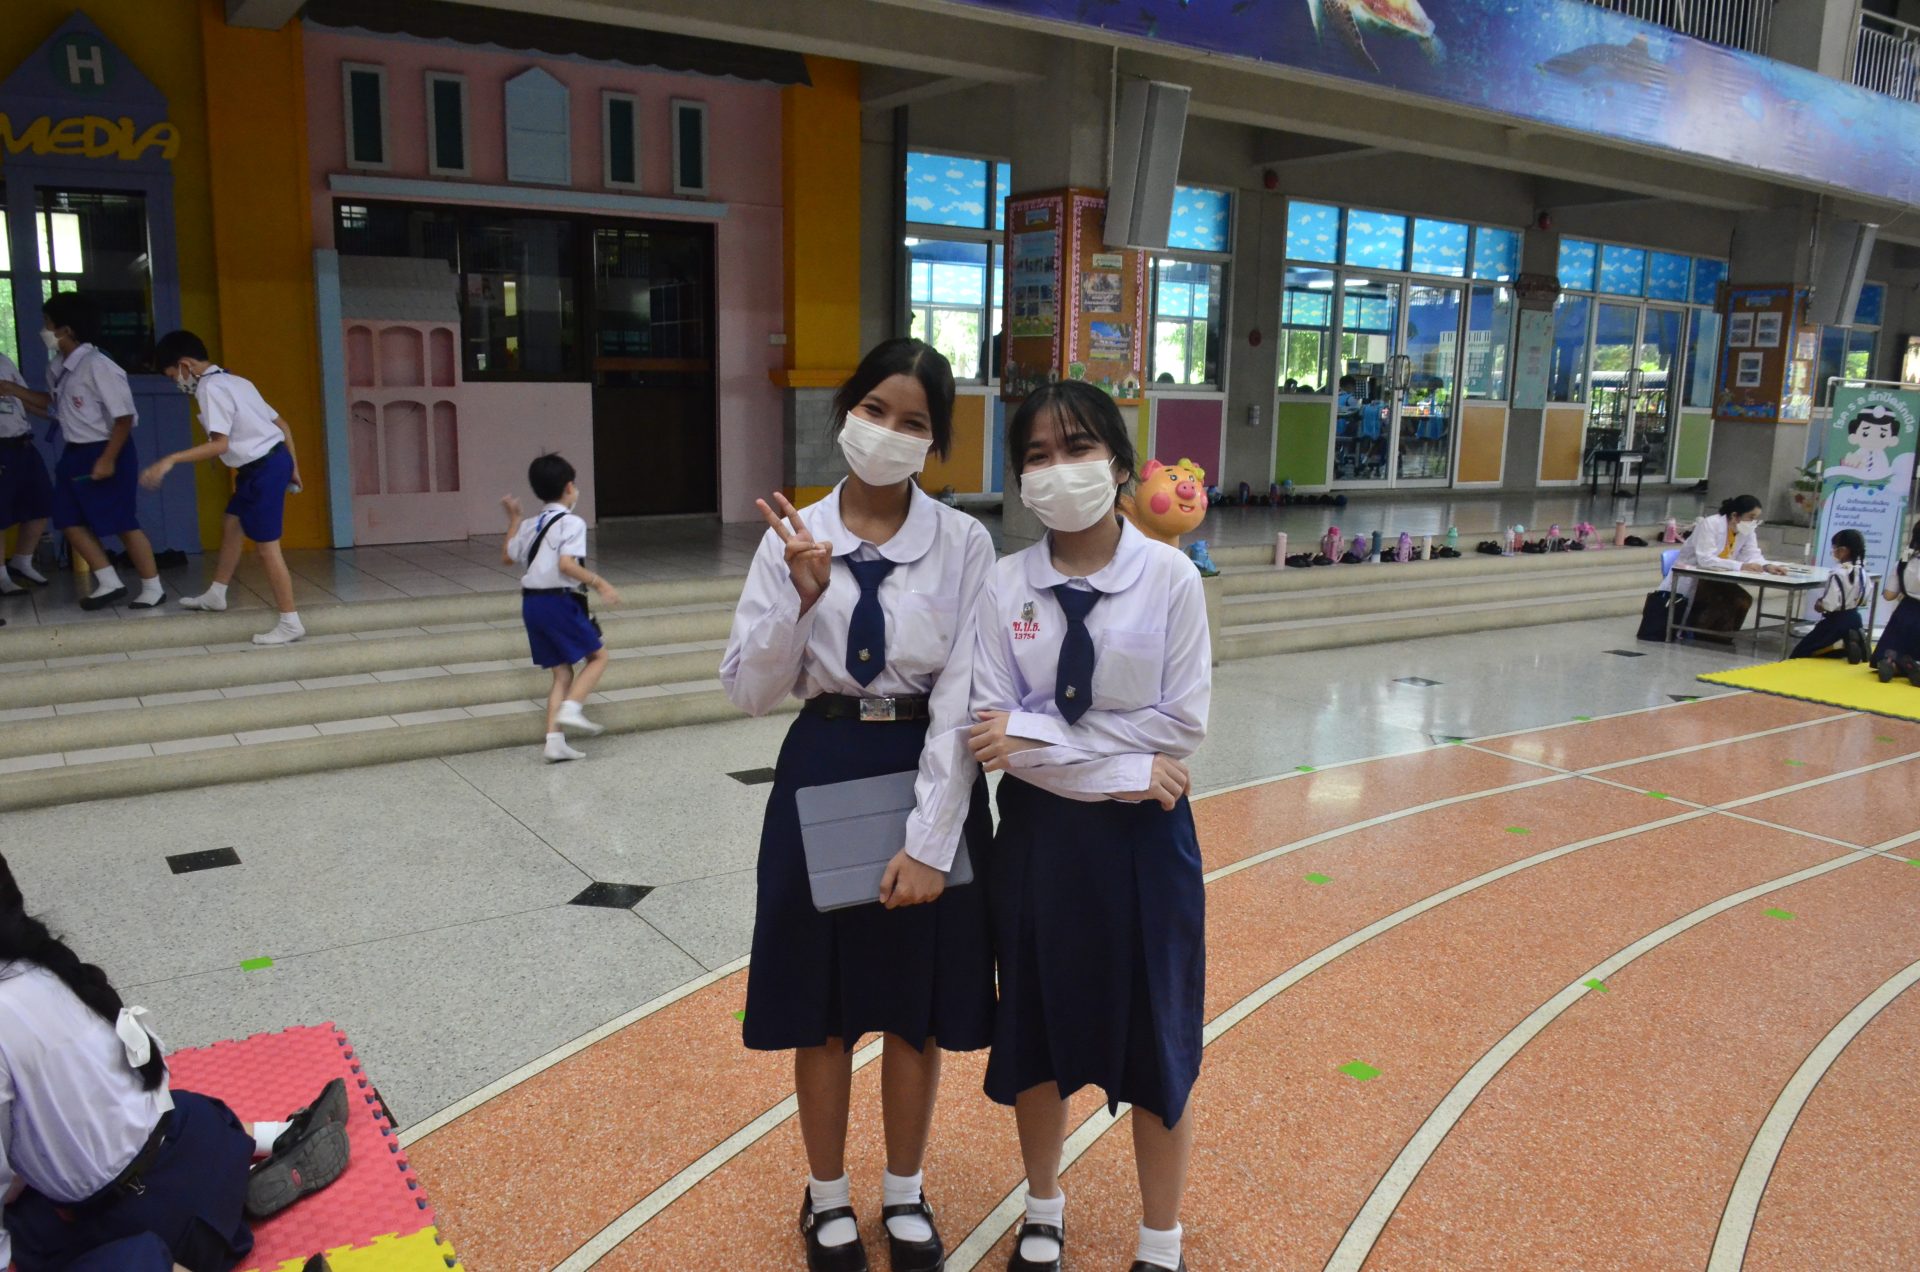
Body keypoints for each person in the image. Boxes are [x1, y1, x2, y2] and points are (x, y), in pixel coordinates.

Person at [719, 337, 997, 1272]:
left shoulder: (963, 544)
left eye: (913, 421)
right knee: (824, 1004)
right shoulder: (791, 533)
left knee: (916, 1006)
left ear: (936, 442)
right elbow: (749, 691)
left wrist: (931, 841)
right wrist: (800, 599)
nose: (887, 432)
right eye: (874, 409)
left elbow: (962, 695)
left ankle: (905, 1190)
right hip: (826, 763)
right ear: (846, 411)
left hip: (929, 767)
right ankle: (828, 1195)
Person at [965, 380, 1210, 1272]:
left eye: (1075, 448)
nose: (1056, 469)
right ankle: (1043, 1209)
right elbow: (994, 734)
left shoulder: (1171, 578)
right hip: (1038, 841)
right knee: (1035, 1029)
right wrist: (1123, 766)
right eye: (1036, 455)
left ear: (1117, 461)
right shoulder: (1004, 585)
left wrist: (1041, 737)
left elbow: (1180, 727)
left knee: (1157, 1033)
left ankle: (1160, 1239)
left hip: (1147, 847)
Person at [0, 855, 345, 1272]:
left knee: (32, 1233)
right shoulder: (50, 965)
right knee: (161, 1110)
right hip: (205, 1146)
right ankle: (279, 1137)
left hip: (159, 1224)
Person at [138, 332, 306, 646]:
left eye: (173, 376)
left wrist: (170, 460)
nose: (177, 383)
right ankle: (217, 593)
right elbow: (282, 424)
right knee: (232, 522)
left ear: (185, 365)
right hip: (267, 464)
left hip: (263, 470)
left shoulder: (209, 388)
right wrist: (292, 465)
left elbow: (220, 445)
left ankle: (290, 621)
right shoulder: (237, 381)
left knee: (267, 548)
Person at [0, 295, 166, 611]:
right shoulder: (58, 367)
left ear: (66, 329)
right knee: (66, 517)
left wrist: (108, 459)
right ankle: (108, 580)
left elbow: (124, 418)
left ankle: (153, 587)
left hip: (108, 449)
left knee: (121, 521)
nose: (44, 330)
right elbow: (54, 405)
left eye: (48, 323)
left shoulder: (98, 365)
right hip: (75, 452)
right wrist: (12, 390)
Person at [501, 455, 620, 764]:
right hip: (558, 601)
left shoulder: (529, 524)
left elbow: (508, 556)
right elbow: (566, 565)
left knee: (562, 672)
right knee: (598, 657)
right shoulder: (572, 523)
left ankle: (554, 742)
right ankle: (572, 708)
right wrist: (600, 583)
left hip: (531, 604)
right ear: (569, 487)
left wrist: (514, 519)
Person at [1671, 494, 1787, 638]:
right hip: (1697, 574)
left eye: (1756, 518)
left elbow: (1752, 554)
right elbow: (1705, 559)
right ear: (1735, 515)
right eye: (1751, 517)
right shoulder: (1710, 524)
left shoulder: (1746, 530)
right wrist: (1741, 566)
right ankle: (1708, 636)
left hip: (1721, 575)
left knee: (1743, 600)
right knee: (1734, 600)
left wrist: (1767, 566)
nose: (1753, 522)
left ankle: (1723, 637)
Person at [0, 351, 53, 601]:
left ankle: (22, 560)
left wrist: (54, 414)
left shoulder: (4, 361)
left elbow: (23, 398)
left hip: (22, 442)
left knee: (41, 502)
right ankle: (1, 575)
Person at [1790, 529, 1872, 661]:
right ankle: (1848, 645)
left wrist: (1820, 604)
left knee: (1801, 652)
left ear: (1843, 550)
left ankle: (1843, 646)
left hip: (1836, 622)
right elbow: (1865, 597)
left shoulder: (1837, 573)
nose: (1833, 551)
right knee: (1830, 653)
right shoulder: (1862, 571)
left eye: (1834, 548)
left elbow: (1830, 604)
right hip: (1855, 619)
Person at [1872, 520, 1920, 683]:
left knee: (1893, 649)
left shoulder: (1904, 560)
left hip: (1904, 614)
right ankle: (1913, 665)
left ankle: (1892, 664)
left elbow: (1889, 595)